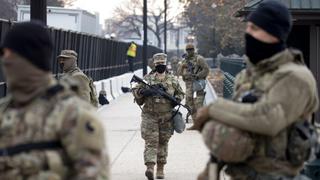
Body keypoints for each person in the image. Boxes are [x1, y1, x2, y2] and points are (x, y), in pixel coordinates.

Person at [191, 1, 319, 180]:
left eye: (255, 28)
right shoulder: (247, 75)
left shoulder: (295, 77)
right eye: (248, 27)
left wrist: (214, 109)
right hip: (240, 173)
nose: (248, 33)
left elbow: (269, 119)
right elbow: (234, 125)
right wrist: (210, 172)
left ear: (274, 33)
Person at [0, 21, 109, 179]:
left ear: (28, 56)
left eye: (9, 54)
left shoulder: (74, 116)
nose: (5, 61)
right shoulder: (5, 111)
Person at [132, 53, 184, 180]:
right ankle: (150, 168)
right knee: (151, 141)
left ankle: (160, 169)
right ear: (154, 65)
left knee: (163, 142)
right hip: (150, 115)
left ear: (166, 64)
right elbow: (137, 93)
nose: (160, 66)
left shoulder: (172, 80)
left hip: (166, 117)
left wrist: (176, 99)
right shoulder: (147, 79)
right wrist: (145, 91)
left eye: (162, 64)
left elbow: (181, 94)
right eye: (158, 64)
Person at [179, 44, 209, 123]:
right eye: (188, 50)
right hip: (189, 84)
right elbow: (179, 72)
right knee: (189, 102)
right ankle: (195, 119)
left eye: (191, 49)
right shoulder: (184, 60)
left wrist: (198, 75)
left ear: (193, 49)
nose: (189, 51)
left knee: (199, 102)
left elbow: (206, 69)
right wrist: (182, 67)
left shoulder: (199, 59)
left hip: (198, 83)